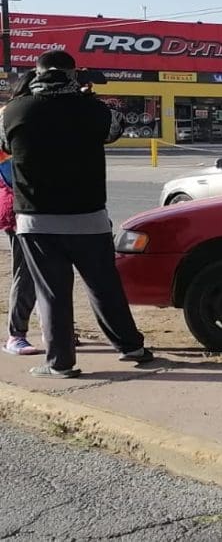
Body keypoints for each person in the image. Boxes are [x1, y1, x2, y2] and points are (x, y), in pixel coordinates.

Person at [0, 50, 153, 378]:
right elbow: (115, 131)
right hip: (89, 217)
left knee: (52, 292)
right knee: (104, 286)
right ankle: (131, 346)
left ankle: (61, 363)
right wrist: (86, 97)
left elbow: (7, 145)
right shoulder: (96, 111)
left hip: (36, 219)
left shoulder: (12, 111)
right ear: (74, 74)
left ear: (37, 72)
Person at [2, 71, 39, 356]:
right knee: (25, 271)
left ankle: (58, 327)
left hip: (44, 204)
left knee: (50, 272)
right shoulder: (10, 117)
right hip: (21, 205)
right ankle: (16, 334)